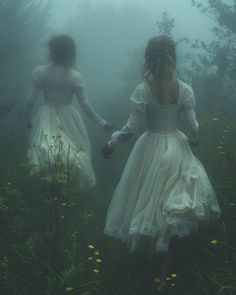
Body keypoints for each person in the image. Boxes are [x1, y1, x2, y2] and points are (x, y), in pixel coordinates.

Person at [102, 36, 221, 288]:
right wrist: (194, 139)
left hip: (150, 148)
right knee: (171, 208)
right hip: (177, 149)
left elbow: (130, 128)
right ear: (173, 58)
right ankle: (165, 272)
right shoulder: (185, 89)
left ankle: (155, 270)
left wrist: (111, 144)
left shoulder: (143, 90)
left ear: (147, 60)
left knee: (151, 206)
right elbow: (193, 126)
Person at [26, 34, 112, 190]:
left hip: (46, 115)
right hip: (69, 117)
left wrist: (29, 120)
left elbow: (29, 102)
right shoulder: (74, 76)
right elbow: (85, 105)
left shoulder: (41, 72)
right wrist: (102, 122)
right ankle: (61, 196)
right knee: (71, 155)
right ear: (70, 53)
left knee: (47, 153)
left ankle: (52, 197)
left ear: (52, 51)